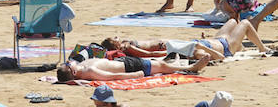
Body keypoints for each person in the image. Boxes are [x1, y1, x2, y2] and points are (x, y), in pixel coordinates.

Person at [56, 55, 210, 82]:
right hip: (130, 67)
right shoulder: (90, 72)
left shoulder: (83, 67)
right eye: (68, 64)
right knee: (160, 66)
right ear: (74, 72)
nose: (69, 62)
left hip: (123, 61)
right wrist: (136, 75)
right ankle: (191, 67)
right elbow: (110, 77)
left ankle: (177, 64)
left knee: (158, 64)